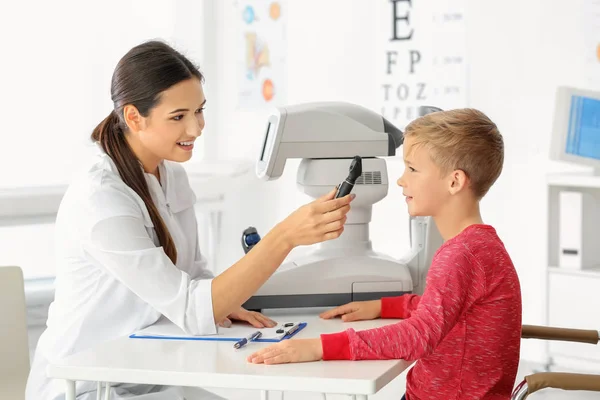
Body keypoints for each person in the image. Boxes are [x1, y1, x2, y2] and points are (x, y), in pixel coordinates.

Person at [26, 40, 353, 400]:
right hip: (85, 385)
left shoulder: (171, 177)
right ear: (134, 117)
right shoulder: (101, 198)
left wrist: (226, 305)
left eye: (199, 111)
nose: (196, 129)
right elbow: (190, 307)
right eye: (178, 117)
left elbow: (194, 277)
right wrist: (284, 237)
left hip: (145, 372)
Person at [248, 109, 523, 400]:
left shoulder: (460, 255)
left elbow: (419, 336)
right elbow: (445, 308)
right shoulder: (482, 245)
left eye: (413, 169)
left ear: (454, 182)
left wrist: (319, 347)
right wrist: (386, 306)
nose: (402, 181)